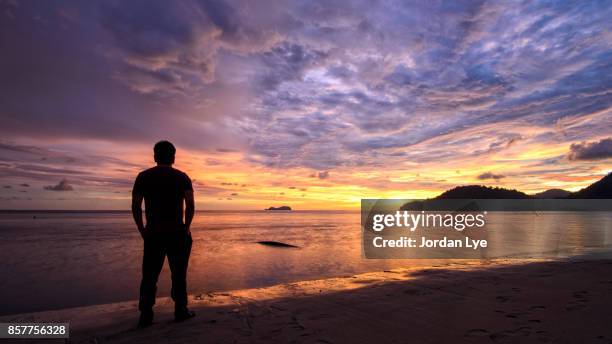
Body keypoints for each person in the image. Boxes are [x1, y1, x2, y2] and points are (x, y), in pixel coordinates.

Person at [131, 140, 195, 327]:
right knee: (179, 274)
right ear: (173, 157)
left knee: (150, 275)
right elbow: (190, 205)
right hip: (177, 233)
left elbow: (136, 206)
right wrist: (187, 227)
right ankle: (180, 310)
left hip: (154, 233)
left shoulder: (143, 177)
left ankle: (146, 314)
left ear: (155, 156)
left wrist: (142, 229)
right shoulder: (182, 177)